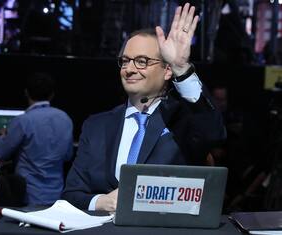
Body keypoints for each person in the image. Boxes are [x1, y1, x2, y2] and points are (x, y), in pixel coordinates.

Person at [62, 3, 226, 211]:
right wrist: (100, 202)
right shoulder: (96, 125)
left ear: (167, 70)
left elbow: (214, 133)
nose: (129, 69)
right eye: (125, 61)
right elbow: (71, 194)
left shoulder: (183, 121)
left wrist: (181, 69)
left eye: (142, 61)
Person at [0, 72, 74, 207]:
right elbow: (68, 155)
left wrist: (1, 136)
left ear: (26, 93)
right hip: (57, 196)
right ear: (52, 94)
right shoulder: (65, 118)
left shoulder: (23, 121)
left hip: (28, 198)